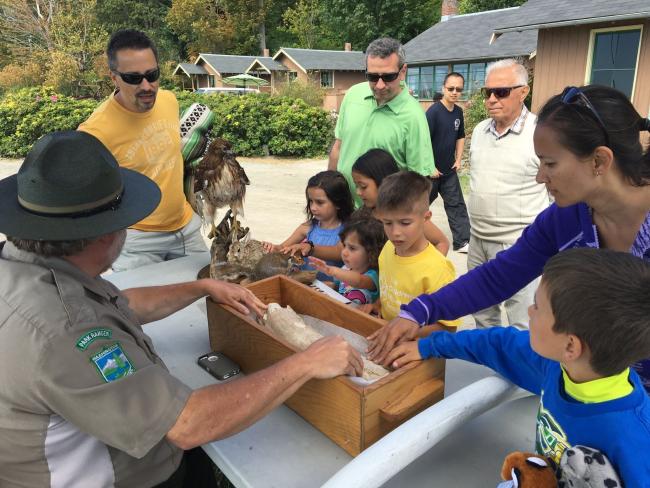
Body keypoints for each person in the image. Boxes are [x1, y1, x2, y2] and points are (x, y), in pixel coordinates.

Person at [0, 131, 363, 487]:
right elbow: (187, 425)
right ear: (107, 234)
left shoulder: (30, 267)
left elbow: (119, 304)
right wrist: (305, 362)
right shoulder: (65, 330)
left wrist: (200, 287)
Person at [367, 85, 650, 392]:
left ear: (599, 161)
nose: (540, 177)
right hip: (594, 393)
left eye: (550, 163)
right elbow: (497, 278)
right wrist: (421, 311)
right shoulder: (564, 218)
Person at [385, 248, 650, 486]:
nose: (530, 312)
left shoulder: (635, 441)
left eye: (538, 306)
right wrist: (429, 345)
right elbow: (496, 344)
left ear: (571, 346)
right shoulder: (559, 366)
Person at [79, 29, 206, 272]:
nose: (147, 86)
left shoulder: (168, 100)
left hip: (187, 230)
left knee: (208, 302)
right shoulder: (95, 132)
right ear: (114, 77)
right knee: (139, 309)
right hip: (137, 242)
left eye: (152, 74)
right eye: (133, 78)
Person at [465, 58, 550, 328]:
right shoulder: (479, 131)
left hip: (520, 244)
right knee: (482, 314)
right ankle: (488, 370)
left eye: (500, 92)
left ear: (523, 92)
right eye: (486, 92)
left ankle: (518, 371)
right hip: (478, 240)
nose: (491, 99)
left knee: (523, 322)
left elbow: (557, 192)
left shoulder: (541, 133)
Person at [328, 37, 436, 207]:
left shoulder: (414, 117)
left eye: (388, 77)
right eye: (372, 76)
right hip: (344, 211)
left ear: (403, 71)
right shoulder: (353, 95)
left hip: (382, 218)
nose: (379, 85)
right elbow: (338, 147)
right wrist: (329, 193)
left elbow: (418, 181)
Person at [373, 171, 460, 330]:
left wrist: (406, 332)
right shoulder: (388, 248)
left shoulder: (438, 269)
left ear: (426, 218)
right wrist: (377, 305)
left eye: (405, 223)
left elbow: (447, 327)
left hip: (419, 350)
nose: (395, 232)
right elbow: (390, 292)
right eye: (387, 223)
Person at [352, 148, 450, 256]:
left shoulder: (408, 214)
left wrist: (428, 269)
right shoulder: (361, 216)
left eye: (363, 186)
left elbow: (442, 243)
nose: (358, 192)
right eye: (388, 223)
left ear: (382, 181)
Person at [262, 170, 353, 281]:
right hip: (305, 284)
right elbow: (283, 248)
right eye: (311, 201)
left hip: (331, 290)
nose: (313, 207)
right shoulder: (307, 227)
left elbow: (338, 252)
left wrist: (310, 248)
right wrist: (273, 248)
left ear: (338, 203)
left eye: (320, 202)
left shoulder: (349, 230)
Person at [425, 72, 471, 253]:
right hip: (430, 173)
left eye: (458, 89)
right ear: (444, 88)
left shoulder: (458, 112)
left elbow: (460, 137)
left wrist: (458, 159)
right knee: (417, 207)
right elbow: (423, 141)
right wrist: (429, 166)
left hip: (449, 170)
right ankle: (408, 237)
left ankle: (462, 242)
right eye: (450, 88)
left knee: (456, 205)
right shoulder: (434, 112)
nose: (454, 92)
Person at [309, 217, 386, 305]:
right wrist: (321, 287)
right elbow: (337, 287)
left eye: (352, 248)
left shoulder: (374, 276)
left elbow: (359, 281)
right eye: (344, 245)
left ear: (371, 252)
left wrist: (332, 270)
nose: (344, 252)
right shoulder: (345, 268)